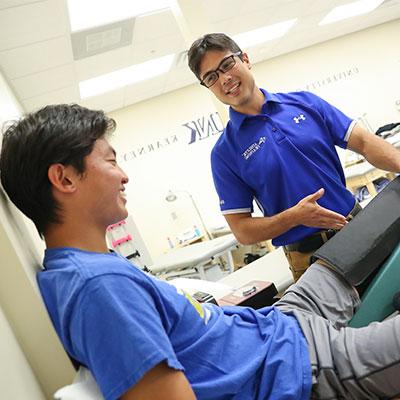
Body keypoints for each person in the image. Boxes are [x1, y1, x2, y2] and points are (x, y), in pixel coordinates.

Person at [1, 104, 400, 400]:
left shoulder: (88, 266)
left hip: (279, 322)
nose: (124, 175)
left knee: (390, 204)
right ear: (65, 177)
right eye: (110, 161)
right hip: (299, 367)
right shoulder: (97, 288)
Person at [187, 33, 400, 281]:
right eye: (211, 77)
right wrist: (294, 217)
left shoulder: (305, 104)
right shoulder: (224, 153)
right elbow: (242, 230)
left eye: (227, 65)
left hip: (359, 228)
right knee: (343, 322)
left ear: (245, 59)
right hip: (309, 260)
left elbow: (363, 142)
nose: (225, 79)